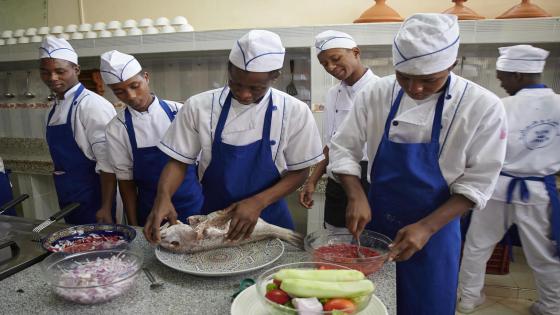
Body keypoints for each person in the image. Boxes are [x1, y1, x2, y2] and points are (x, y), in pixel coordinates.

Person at [327, 14, 507, 315]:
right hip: (376, 226)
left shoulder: (482, 106)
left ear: (451, 64)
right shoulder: (377, 93)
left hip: (436, 232)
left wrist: (426, 227)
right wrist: (356, 194)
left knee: (428, 306)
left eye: (428, 80)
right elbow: (343, 147)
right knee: (369, 304)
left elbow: (478, 181)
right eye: (404, 77)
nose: (415, 88)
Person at [144, 30, 323, 243]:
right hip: (214, 222)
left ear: (275, 76)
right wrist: (162, 198)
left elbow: (300, 171)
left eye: (256, 88)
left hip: (270, 217)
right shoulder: (199, 106)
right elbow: (178, 162)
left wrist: (258, 202)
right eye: (236, 83)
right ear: (229, 70)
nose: (244, 94)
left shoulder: (294, 111)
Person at [458, 45, 560, 315]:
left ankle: (468, 299)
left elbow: (476, 149)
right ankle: (552, 307)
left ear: (518, 75)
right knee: (544, 254)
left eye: (503, 77)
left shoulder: (500, 107)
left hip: (495, 188)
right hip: (537, 192)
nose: (501, 83)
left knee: (477, 246)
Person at [102, 50, 203, 226]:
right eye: (119, 92)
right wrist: (134, 226)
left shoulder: (179, 111)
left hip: (195, 205)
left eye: (135, 86)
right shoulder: (117, 128)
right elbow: (126, 183)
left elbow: (202, 163)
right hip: (151, 212)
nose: (131, 96)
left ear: (146, 77)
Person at [299, 30, 379, 230]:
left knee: (370, 242)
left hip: (372, 180)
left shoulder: (381, 90)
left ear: (355, 52)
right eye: (324, 64)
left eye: (335, 59)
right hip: (337, 180)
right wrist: (312, 180)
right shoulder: (333, 94)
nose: (331, 67)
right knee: (335, 242)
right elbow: (331, 143)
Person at [39, 36, 117, 224]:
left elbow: (109, 163)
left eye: (60, 71)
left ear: (76, 69)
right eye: (45, 72)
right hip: (70, 196)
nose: (52, 78)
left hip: (96, 197)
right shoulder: (54, 107)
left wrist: (106, 207)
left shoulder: (92, 106)